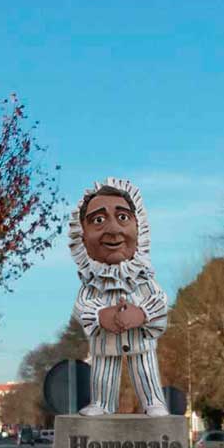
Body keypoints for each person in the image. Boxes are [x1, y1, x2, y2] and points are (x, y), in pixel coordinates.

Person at [70, 178, 169, 416]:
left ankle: (153, 400)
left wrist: (142, 314)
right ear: (82, 236)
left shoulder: (143, 279)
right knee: (103, 366)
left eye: (123, 217)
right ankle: (102, 402)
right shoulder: (92, 283)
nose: (113, 230)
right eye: (98, 220)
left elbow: (159, 302)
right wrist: (99, 316)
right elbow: (81, 307)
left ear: (139, 228)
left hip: (140, 341)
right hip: (105, 344)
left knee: (145, 365)